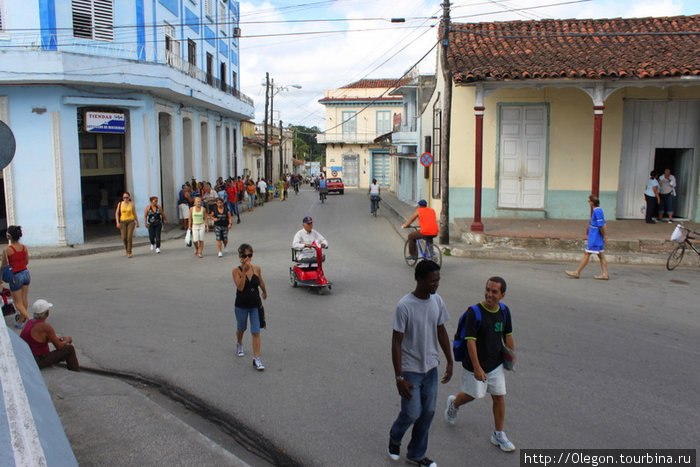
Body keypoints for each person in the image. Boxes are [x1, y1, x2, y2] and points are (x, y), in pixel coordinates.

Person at [389, 260, 453, 467]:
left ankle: (416, 454)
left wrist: (450, 361)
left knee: (428, 412)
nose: (436, 284)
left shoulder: (437, 301)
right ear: (419, 279)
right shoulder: (404, 306)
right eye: (432, 281)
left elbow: (441, 331)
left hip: (431, 368)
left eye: (438, 280)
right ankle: (395, 436)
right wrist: (399, 377)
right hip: (410, 369)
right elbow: (396, 342)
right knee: (412, 412)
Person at [444, 276, 516, 452]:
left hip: (496, 364)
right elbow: (470, 342)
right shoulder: (474, 313)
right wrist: (477, 368)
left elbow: (508, 335)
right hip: (474, 364)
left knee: (499, 396)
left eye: (494, 291)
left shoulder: (504, 311)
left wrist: (510, 358)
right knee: (472, 395)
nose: (489, 294)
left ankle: (498, 434)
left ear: (502, 295)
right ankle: (454, 404)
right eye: (487, 290)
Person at [232, 243, 268, 371]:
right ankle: (239, 343)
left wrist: (264, 291)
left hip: (255, 305)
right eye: (245, 256)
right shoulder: (236, 271)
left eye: (250, 255)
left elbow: (261, 281)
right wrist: (244, 272)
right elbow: (240, 287)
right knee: (241, 328)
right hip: (241, 305)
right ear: (240, 257)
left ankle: (256, 358)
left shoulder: (256, 269)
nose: (247, 258)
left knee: (256, 331)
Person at [20, 299, 80, 372]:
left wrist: (55, 339)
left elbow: (35, 339)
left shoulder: (29, 322)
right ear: (47, 313)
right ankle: (75, 371)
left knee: (62, 350)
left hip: (27, 357)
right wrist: (68, 339)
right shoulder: (45, 327)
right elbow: (59, 346)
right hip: (37, 360)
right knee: (69, 349)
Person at [565, 195, 609, 280]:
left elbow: (601, 226)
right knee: (601, 256)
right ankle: (605, 274)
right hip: (596, 236)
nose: (588, 202)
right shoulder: (599, 211)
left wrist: (603, 236)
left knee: (587, 254)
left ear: (592, 202)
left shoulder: (597, 212)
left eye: (589, 201)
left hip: (595, 237)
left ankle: (577, 272)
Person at [2, 225, 30, 327]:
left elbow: (4, 265)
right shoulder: (24, 247)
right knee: (24, 299)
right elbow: (26, 261)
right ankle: (20, 322)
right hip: (26, 273)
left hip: (15, 276)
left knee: (17, 303)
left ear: (9, 236)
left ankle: (30, 320)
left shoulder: (7, 250)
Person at [115, 192, 139, 258]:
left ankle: (129, 252)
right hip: (122, 222)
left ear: (129, 197)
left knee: (129, 237)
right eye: (124, 197)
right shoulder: (120, 204)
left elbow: (134, 213)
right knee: (124, 237)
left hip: (131, 221)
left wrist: (137, 222)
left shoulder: (131, 204)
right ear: (122, 198)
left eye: (127, 197)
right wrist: (117, 222)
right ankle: (126, 250)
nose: (125, 199)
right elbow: (117, 213)